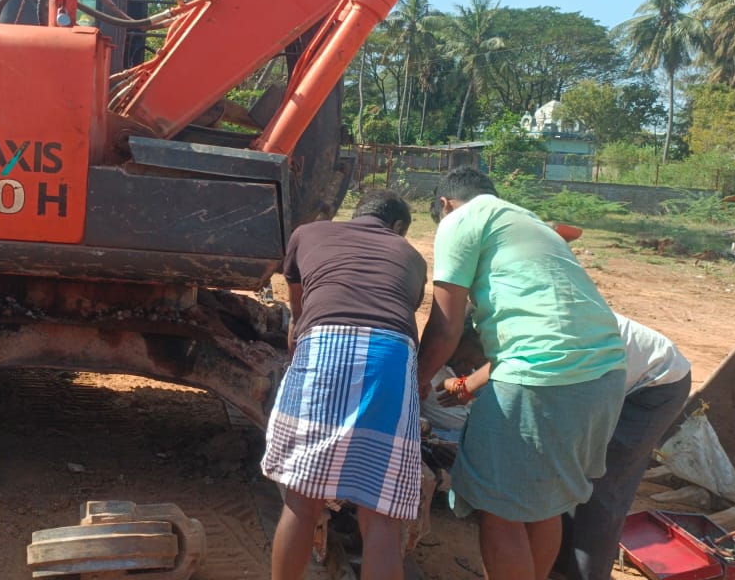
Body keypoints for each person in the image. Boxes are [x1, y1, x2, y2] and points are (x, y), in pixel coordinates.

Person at [416, 167, 627, 580]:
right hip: (605, 376)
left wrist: (412, 383)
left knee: (499, 512)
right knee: (543, 506)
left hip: (543, 379)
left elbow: (445, 326)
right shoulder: (531, 223)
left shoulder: (462, 218)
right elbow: (537, 333)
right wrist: (469, 385)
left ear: (445, 205)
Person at [439, 312, 692, 580]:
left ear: (485, 341)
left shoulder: (533, 338)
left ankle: (587, 575)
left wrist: (467, 386)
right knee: (566, 477)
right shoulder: (518, 335)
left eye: (464, 361)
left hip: (655, 383)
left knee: (603, 487)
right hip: (609, 379)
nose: (465, 369)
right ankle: (558, 567)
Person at [261, 189, 427, 580]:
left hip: (324, 347)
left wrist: (298, 349)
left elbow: (299, 310)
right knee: (381, 517)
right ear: (397, 227)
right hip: (391, 356)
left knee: (302, 502)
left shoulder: (308, 233)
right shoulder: (412, 257)